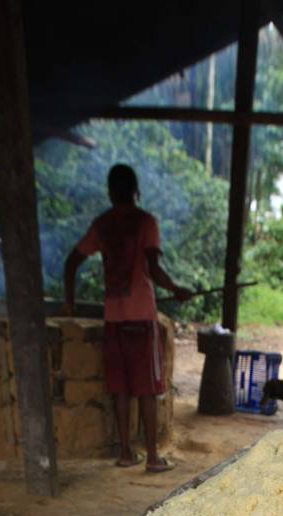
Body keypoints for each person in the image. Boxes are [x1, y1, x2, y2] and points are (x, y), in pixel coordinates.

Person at [63, 163, 191, 472]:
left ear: (110, 192)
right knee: (146, 389)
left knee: (120, 388)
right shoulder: (146, 222)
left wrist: (69, 304)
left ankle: (124, 453)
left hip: (113, 319)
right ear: (136, 191)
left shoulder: (102, 225)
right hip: (140, 317)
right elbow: (154, 270)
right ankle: (152, 457)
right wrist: (176, 289)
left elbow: (71, 263)